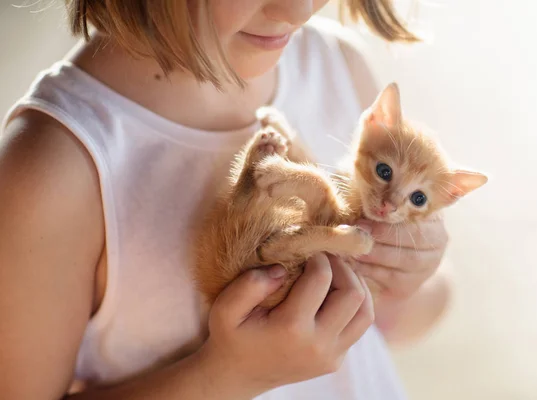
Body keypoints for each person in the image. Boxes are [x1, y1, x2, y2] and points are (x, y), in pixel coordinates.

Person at [0, 1, 451, 399]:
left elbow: (417, 316)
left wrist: (406, 280)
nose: (298, 9)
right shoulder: (52, 171)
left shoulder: (337, 66)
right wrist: (225, 377)